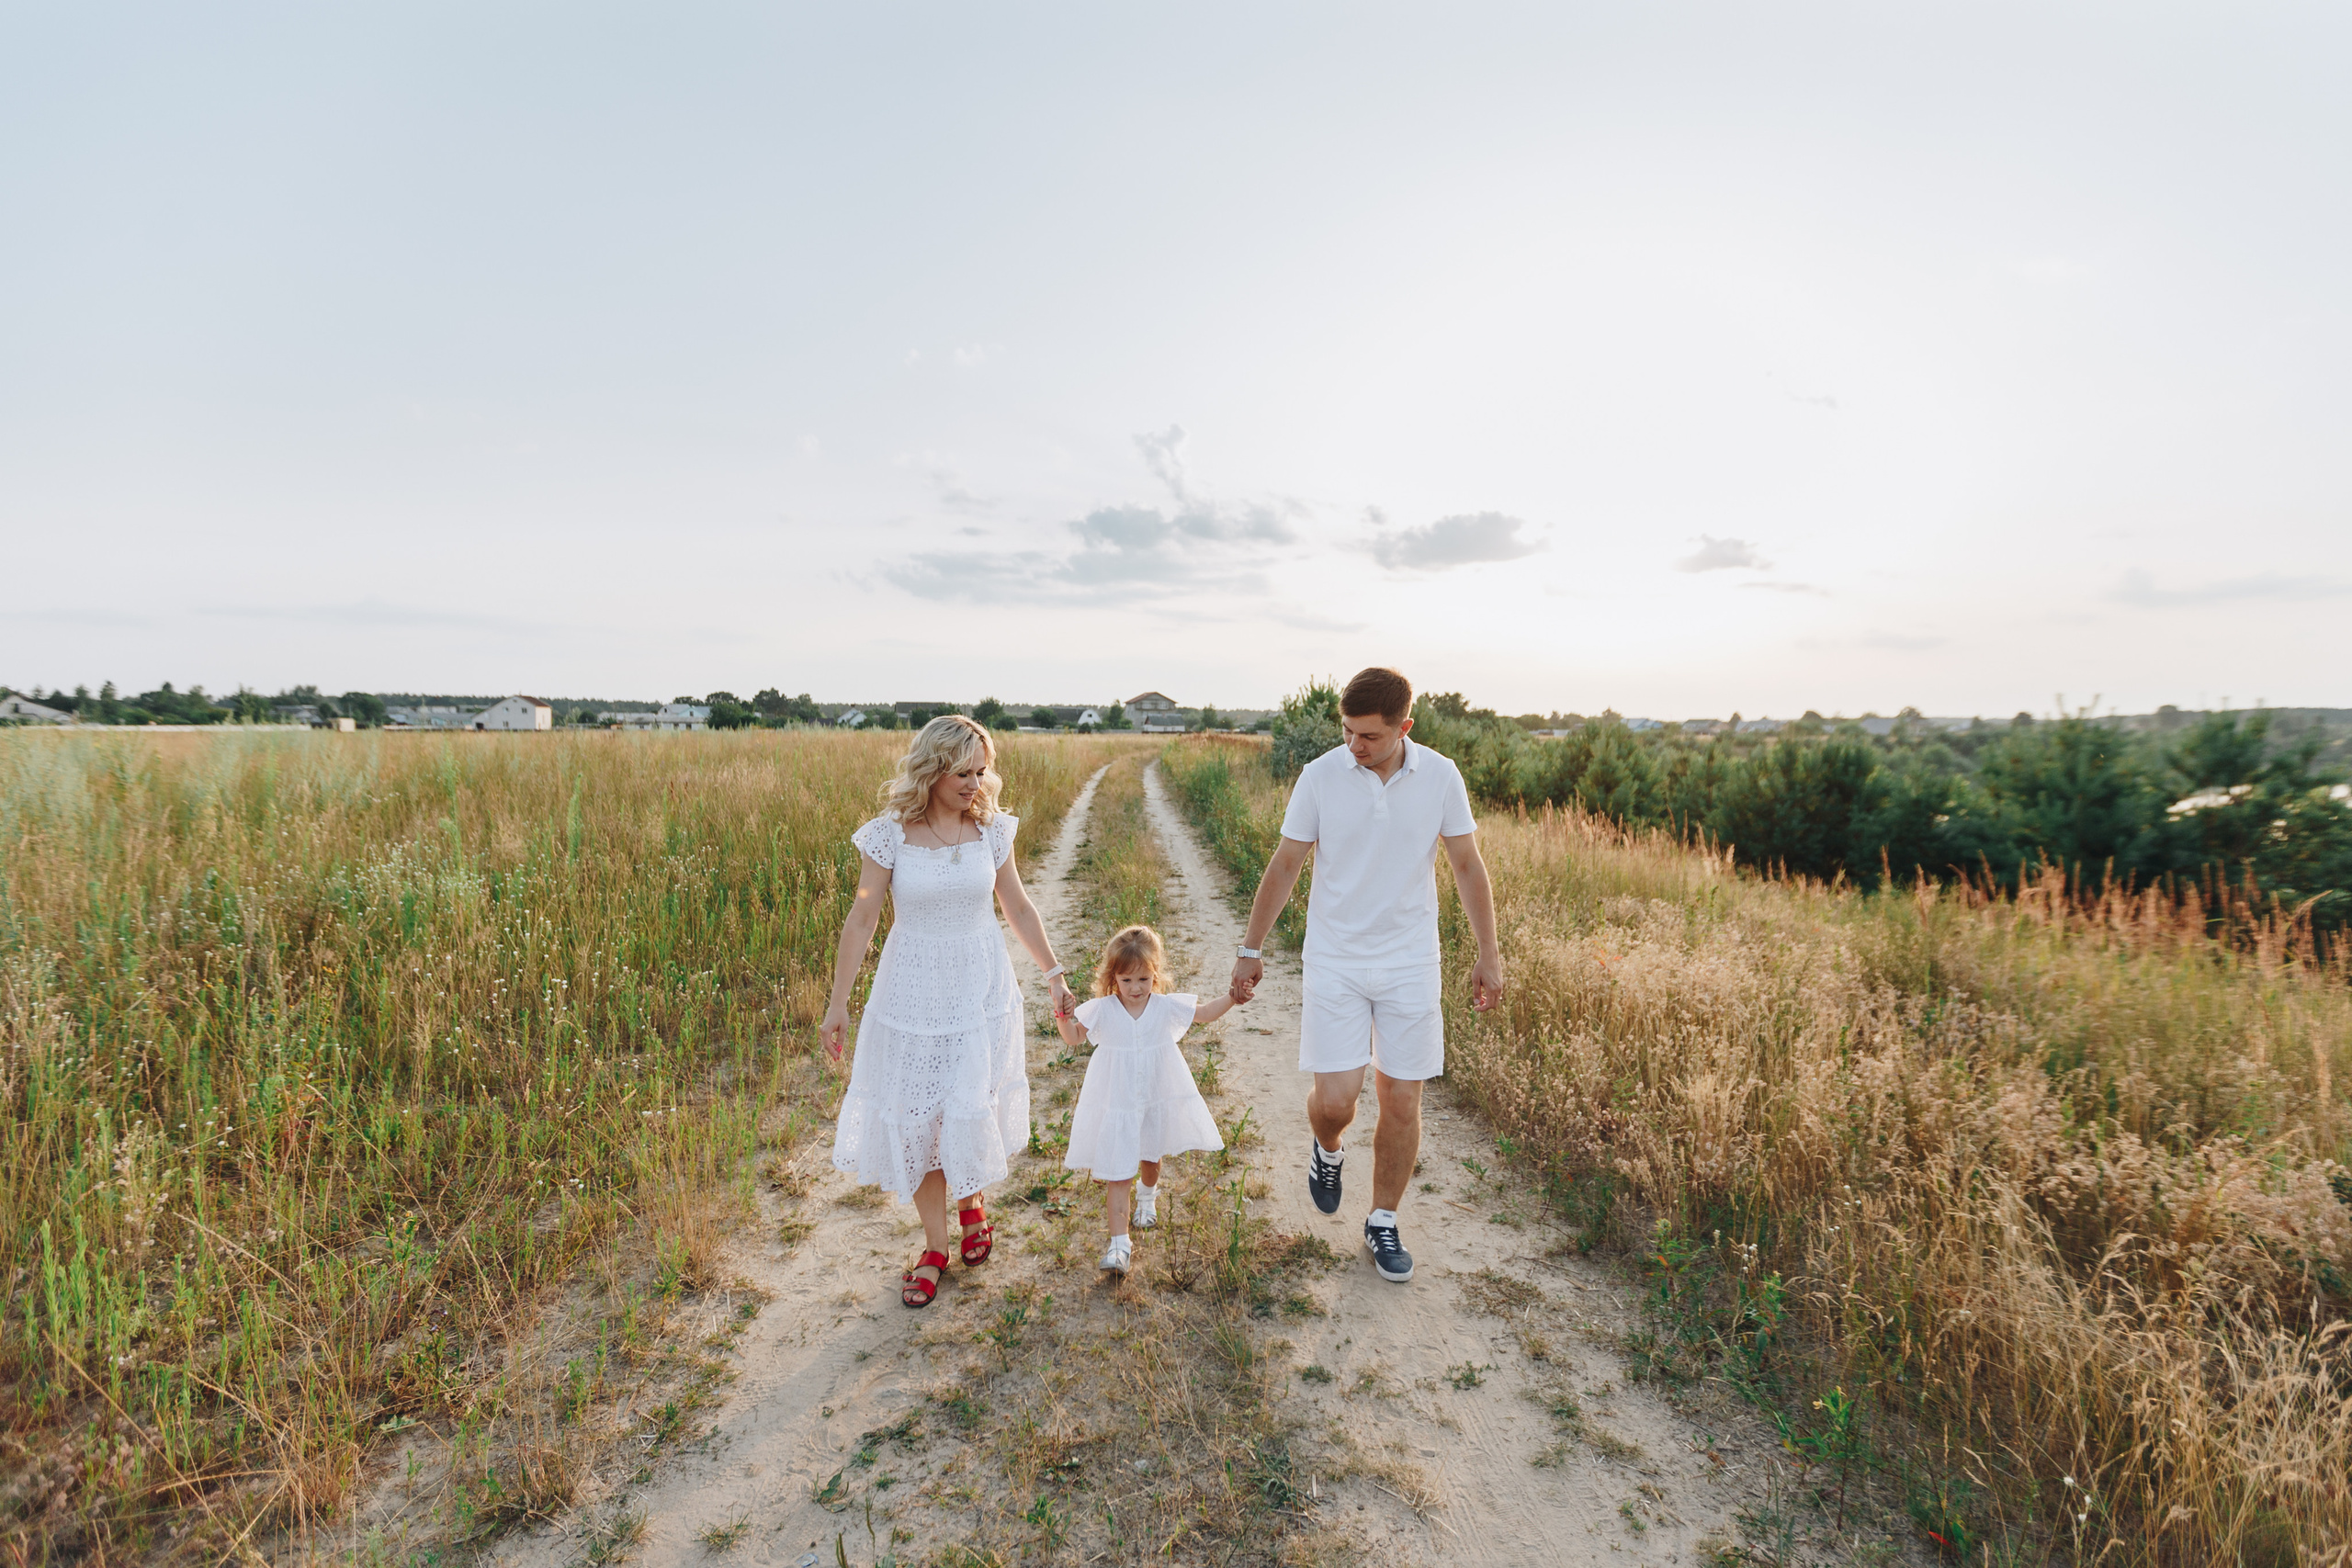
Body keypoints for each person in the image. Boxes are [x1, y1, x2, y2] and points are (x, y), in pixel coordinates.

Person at [1228, 667, 1503, 1283]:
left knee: (1401, 1100)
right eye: (1348, 731)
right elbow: (1287, 864)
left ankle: (1383, 1219)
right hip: (1337, 959)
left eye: (1370, 736)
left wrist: (1489, 952)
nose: (1354, 745)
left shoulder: (1440, 775)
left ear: (1405, 727)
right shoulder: (1321, 776)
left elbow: (1466, 864)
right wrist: (1250, 947)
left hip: (1410, 961)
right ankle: (1328, 1149)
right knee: (1335, 1100)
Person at [822, 716, 1079, 1308]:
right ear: (932, 771)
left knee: (967, 1103)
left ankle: (972, 1202)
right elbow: (862, 918)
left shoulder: (991, 830)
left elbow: (1016, 905)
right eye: (962, 773)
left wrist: (1053, 973)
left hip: (977, 990)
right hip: (911, 993)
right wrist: (838, 1004)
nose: (975, 784)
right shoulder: (889, 835)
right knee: (920, 1116)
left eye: (981, 771)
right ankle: (935, 1245)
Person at [1054, 925, 1238, 1277]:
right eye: (1126, 981)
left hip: (1154, 1094)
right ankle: (1119, 1245)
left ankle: (1148, 1197)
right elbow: (1074, 1038)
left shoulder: (1165, 1007)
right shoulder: (1104, 1010)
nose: (1135, 989)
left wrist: (1232, 996)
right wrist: (1063, 1016)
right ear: (1113, 979)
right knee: (1117, 1171)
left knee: (1150, 1158)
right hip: (1118, 1100)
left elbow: (1205, 1013)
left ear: (1156, 974)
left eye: (1143, 979)